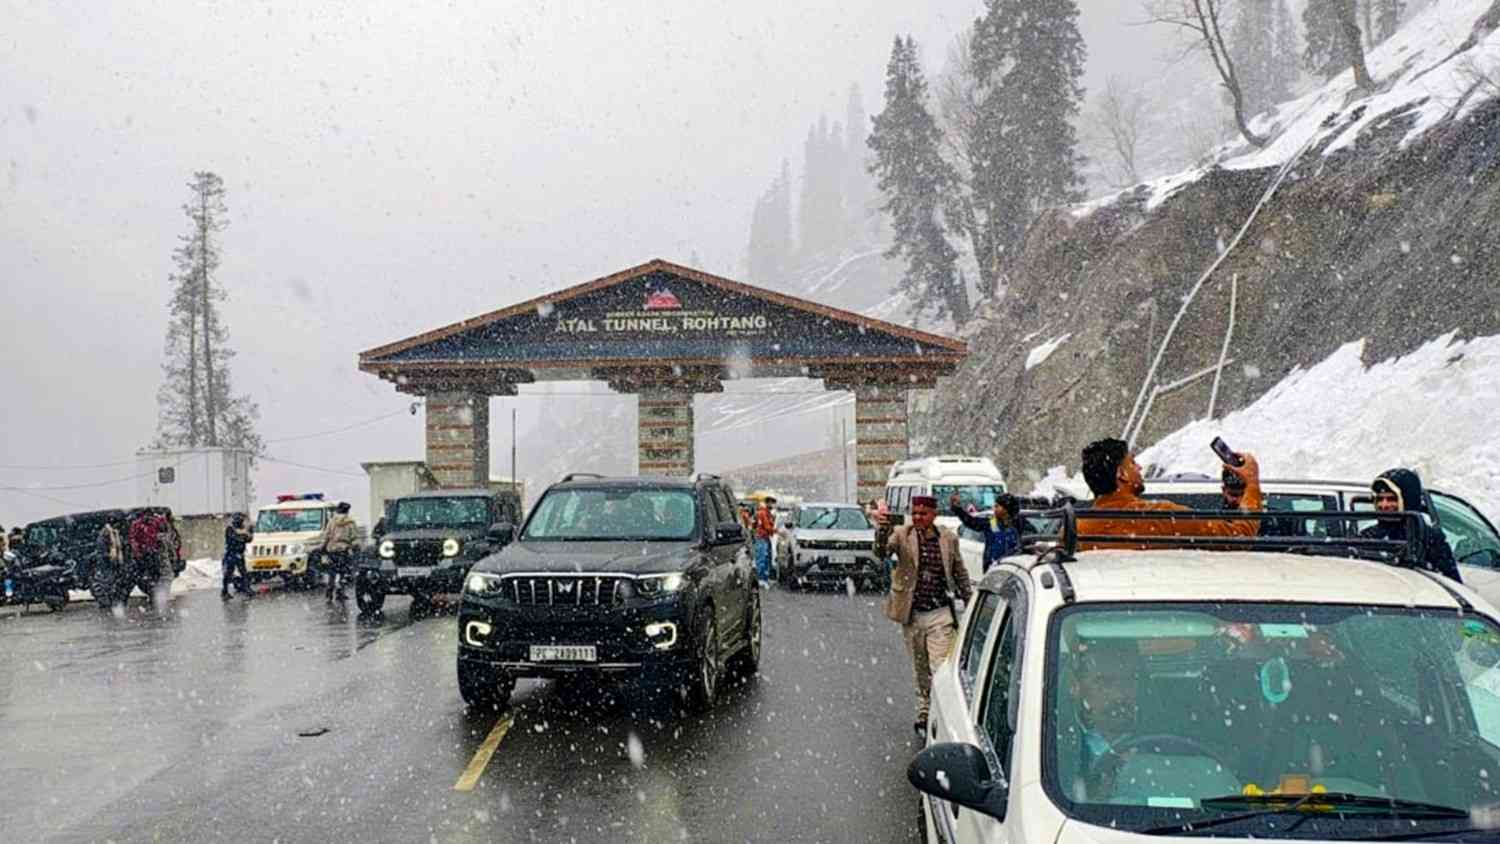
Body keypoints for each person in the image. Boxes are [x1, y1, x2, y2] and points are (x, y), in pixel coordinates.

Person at [875, 494, 973, 738]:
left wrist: (969, 600)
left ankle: (942, 715)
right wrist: (882, 528)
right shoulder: (902, 535)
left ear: (934, 514)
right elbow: (881, 551)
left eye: (923, 513)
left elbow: (959, 570)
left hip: (940, 614)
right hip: (913, 614)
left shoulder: (948, 538)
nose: (918, 517)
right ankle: (924, 712)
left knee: (939, 667)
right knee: (920, 669)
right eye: (915, 513)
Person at [1076, 438, 1263, 549]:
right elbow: (1239, 537)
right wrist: (1252, 483)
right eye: (1132, 463)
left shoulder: (1076, 530)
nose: (1139, 467)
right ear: (1121, 474)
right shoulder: (1161, 516)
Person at [1360, 468, 1461, 581]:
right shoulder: (1368, 536)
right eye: (1380, 499)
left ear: (1407, 500)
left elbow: (1450, 582)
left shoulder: (1428, 538)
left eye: (1391, 499)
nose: (1384, 505)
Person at [949, 492, 1021, 573]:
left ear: (1006, 510)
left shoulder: (1017, 525)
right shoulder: (993, 523)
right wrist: (957, 508)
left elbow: (1020, 547)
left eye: (997, 506)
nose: (994, 508)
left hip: (1011, 570)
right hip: (992, 569)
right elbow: (972, 522)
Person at [319, 502, 359, 602]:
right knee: (343, 573)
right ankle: (340, 593)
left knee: (332, 574)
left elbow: (326, 536)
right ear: (347, 511)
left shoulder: (332, 521)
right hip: (343, 550)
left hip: (332, 550)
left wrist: (322, 547)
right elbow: (354, 538)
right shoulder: (351, 523)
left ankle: (329, 595)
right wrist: (355, 547)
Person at [221, 513, 253, 600]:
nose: (241, 522)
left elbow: (249, 539)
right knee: (228, 573)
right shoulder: (230, 529)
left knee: (244, 573)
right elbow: (236, 538)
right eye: (240, 520)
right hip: (231, 553)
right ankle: (224, 591)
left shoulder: (241, 529)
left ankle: (247, 589)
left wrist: (247, 533)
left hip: (239, 553)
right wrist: (243, 535)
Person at [752, 498, 776, 584]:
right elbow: (767, 526)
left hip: (764, 537)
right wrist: (777, 531)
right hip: (762, 537)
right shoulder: (763, 513)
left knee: (765, 559)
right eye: (771, 503)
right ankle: (760, 579)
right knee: (761, 559)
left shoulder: (766, 513)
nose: (772, 505)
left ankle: (764, 578)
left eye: (773, 503)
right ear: (767, 503)